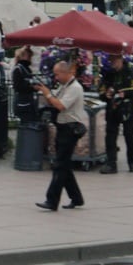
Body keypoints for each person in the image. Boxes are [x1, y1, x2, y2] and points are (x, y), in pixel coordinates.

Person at [34, 61, 88, 211]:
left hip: (70, 130)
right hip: (62, 128)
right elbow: (53, 102)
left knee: (59, 166)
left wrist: (48, 94)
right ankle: (76, 198)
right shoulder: (65, 86)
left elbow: (60, 105)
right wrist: (45, 93)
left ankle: (51, 200)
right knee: (64, 166)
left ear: (66, 73)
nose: (55, 77)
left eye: (57, 74)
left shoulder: (75, 88)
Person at [98, 53, 133, 173]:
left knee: (129, 135)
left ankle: (132, 162)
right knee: (110, 135)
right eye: (110, 60)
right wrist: (105, 95)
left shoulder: (130, 70)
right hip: (112, 108)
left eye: (114, 60)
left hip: (127, 107)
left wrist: (124, 93)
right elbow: (101, 88)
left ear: (121, 59)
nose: (112, 62)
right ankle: (111, 163)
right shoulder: (107, 72)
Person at [11, 47, 38, 122]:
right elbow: (17, 87)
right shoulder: (18, 69)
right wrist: (32, 88)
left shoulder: (27, 69)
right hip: (22, 103)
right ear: (23, 56)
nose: (31, 59)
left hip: (29, 101)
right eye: (29, 56)